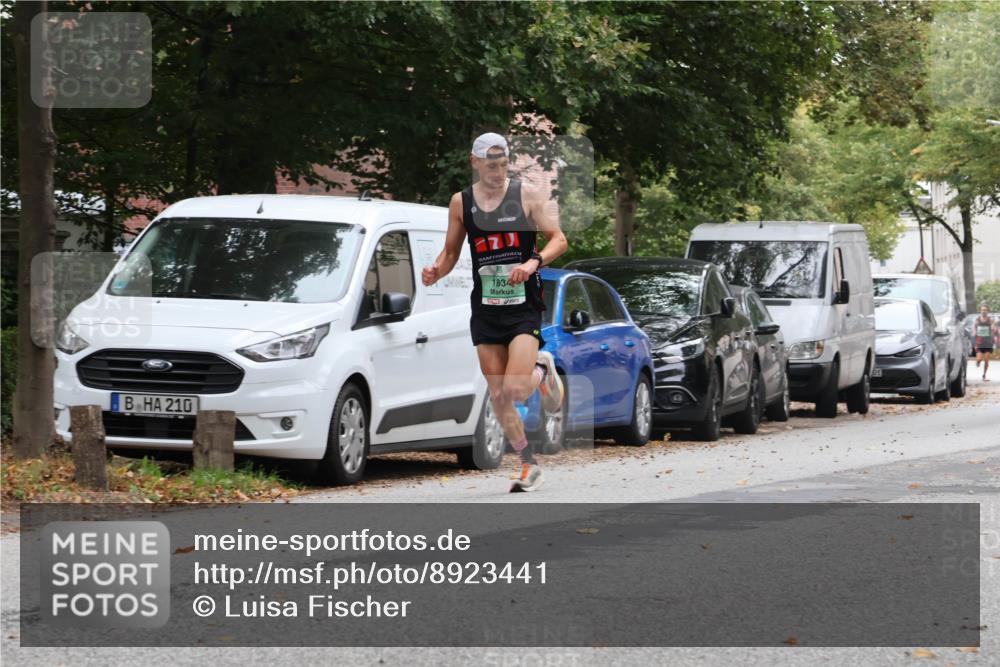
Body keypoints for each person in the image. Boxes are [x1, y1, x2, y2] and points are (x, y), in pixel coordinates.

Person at [422, 132, 567, 492]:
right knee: (498, 396)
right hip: (486, 308)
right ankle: (527, 464)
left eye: (503, 164)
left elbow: (559, 239)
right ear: (475, 163)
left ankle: (541, 369)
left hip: (523, 306)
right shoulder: (462, 202)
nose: (498, 171)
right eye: (491, 165)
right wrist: (436, 269)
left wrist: (534, 262)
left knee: (515, 391)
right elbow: (451, 252)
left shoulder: (526, 195)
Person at [973, 305, 996, 381]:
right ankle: (978, 362)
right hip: (979, 342)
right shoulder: (977, 319)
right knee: (979, 358)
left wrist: (993, 328)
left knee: (986, 359)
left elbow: (993, 328)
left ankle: (984, 375)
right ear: (980, 311)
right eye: (982, 310)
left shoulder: (990, 320)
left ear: (987, 311)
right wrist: (974, 332)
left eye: (985, 310)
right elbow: (974, 327)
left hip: (988, 342)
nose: (984, 311)